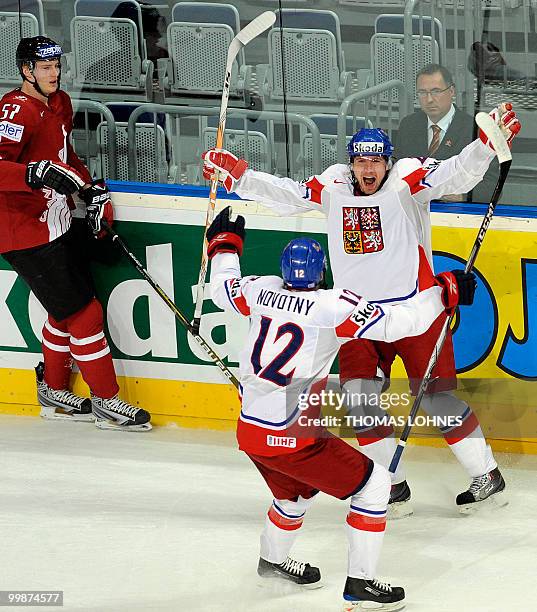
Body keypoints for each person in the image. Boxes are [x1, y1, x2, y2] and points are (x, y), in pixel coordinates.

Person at [201, 101, 520, 515]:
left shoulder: (408, 179)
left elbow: (455, 172)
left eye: (376, 162)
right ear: (351, 163)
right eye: (361, 161)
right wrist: (240, 176)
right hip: (358, 317)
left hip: (415, 312)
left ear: (388, 162)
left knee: (436, 400)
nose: (369, 170)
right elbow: (288, 192)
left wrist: (483, 147)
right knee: (360, 400)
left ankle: (486, 474)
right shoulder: (332, 186)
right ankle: (390, 486)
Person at [207, 205, 477, 610]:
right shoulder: (333, 307)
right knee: (376, 486)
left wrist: (224, 247)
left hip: (250, 432)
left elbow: (221, 288)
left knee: (294, 495)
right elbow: (400, 324)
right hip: (293, 438)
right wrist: (443, 293)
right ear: (321, 275)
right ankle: (360, 586)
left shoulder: (259, 289)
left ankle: (273, 561)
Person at [0, 36, 151, 432]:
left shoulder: (60, 102)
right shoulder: (15, 111)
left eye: (56, 66)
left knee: (63, 308)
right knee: (85, 313)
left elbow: (65, 158)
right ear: (26, 70)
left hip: (58, 219)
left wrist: (90, 189)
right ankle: (106, 400)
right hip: (22, 231)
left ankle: (52, 390)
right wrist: (30, 173)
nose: (53, 73)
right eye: (44, 67)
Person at [394, 63, 497, 203]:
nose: (429, 99)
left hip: (457, 214)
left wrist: (464, 197)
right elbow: (397, 170)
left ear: (452, 91)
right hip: (414, 209)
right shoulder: (409, 125)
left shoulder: (475, 130)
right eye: (423, 93)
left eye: (436, 91)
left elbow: (493, 182)